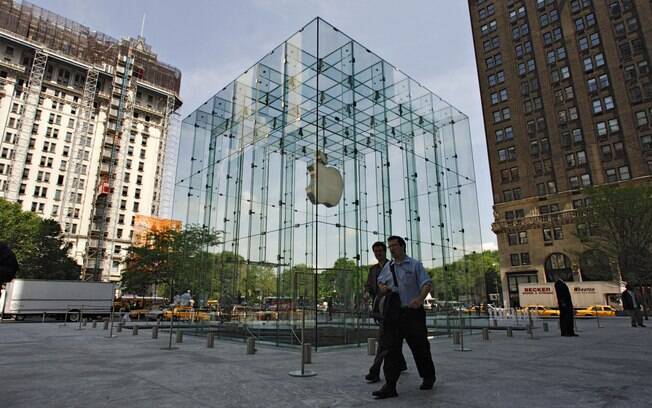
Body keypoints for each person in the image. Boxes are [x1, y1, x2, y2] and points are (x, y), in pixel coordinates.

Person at [373, 236, 436, 399]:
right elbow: (380, 281)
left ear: (402, 247)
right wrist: (383, 287)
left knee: (420, 347)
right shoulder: (389, 266)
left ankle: (428, 376)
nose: (392, 248)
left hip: (412, 312)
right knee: (391, 349)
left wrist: (420, 299)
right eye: (390, 246)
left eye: (394, 245)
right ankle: (390, 385)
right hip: (394, 313)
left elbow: (427, 283)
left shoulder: (414, 265)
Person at [364, 241, 406, 384]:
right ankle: (401, 364)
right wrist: (366, 294)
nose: (378, 253)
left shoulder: (393, 266)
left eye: (380, 251)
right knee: (391, 339)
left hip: (392, 307)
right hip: (380, 308)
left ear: (384, 251)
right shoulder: (373, 269)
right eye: (375, 251)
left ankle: (374, 371)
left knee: (383, 340)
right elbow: (369, 286)